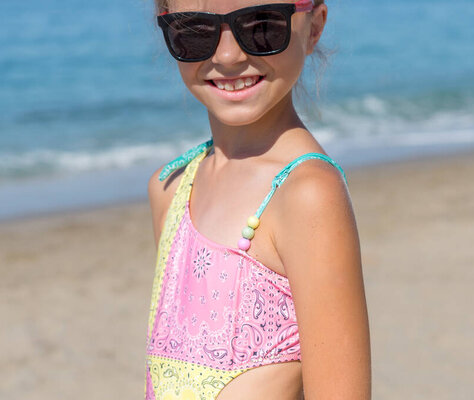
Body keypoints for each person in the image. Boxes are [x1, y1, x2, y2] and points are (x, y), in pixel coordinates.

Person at [144, 0, 371, 398]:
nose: (228, 56)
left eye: (262, 26)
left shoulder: (306, 195)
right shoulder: (172, 187)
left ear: (313, 27)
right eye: (195, 32)